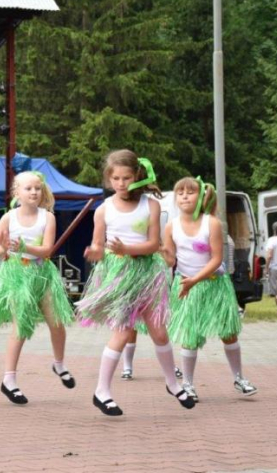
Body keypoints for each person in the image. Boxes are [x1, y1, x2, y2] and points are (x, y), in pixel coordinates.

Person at [77, 149, 194, 416]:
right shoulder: (103, 210)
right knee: (122, 331)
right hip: (120, 275)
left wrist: (126, 248)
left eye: (127, 178)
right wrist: (95, 252)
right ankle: (101, 391)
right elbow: (97, 245)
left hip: (147, 273)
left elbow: (154, 244)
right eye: (116, 178)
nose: (121, 183)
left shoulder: (150, 205)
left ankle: (173, 383)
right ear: (109, 179)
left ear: (137, 176)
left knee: (159, 331)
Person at [0, 171, 75, 404]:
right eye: (28, 188)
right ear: (16, 192)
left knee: (57, 322)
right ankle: (9, 380)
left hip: (42, 274)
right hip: (16, 275)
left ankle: (59, 364)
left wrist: (24, 247)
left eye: (37, 188)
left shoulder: (47, 217)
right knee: (20, 325)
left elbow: (48, 250)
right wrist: (8, 248)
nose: (33, 192)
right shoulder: (8, 218)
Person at [162, 177, 258, 401]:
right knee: (190, 335)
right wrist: (160, 251)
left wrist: (195, 279)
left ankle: (239, 378)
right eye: (180, 192)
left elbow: (216, 259)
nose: (184, 196)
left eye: (190, 192)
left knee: (228, 333)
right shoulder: (171, 226)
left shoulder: (212, 223)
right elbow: (170, 260)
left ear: (202, 197)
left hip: (214, 284)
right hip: (186, 285)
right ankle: (187, 384)